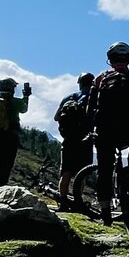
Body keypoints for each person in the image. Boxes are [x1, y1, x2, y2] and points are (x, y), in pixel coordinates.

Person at [88, 42, 129, 233]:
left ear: (110, 58)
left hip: (105, 131)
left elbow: (90, 109)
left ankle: (106, 213)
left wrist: (91, 130)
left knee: (104, 171)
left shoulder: (99, 79)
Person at [0, 78, 32, 189]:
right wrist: (26, 96)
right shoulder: (14, 102)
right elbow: (24, 109)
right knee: (5, 169)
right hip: (10, 140)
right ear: (12, 88)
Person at [54, 72, 96, 201]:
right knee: (81, 173)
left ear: (80, 83)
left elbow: (56, 117)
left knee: (66, 172)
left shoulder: (69, 98)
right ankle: (78, 200)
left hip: (69, 139)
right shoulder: (95, 96)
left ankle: (63, 200)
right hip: (86, 139)